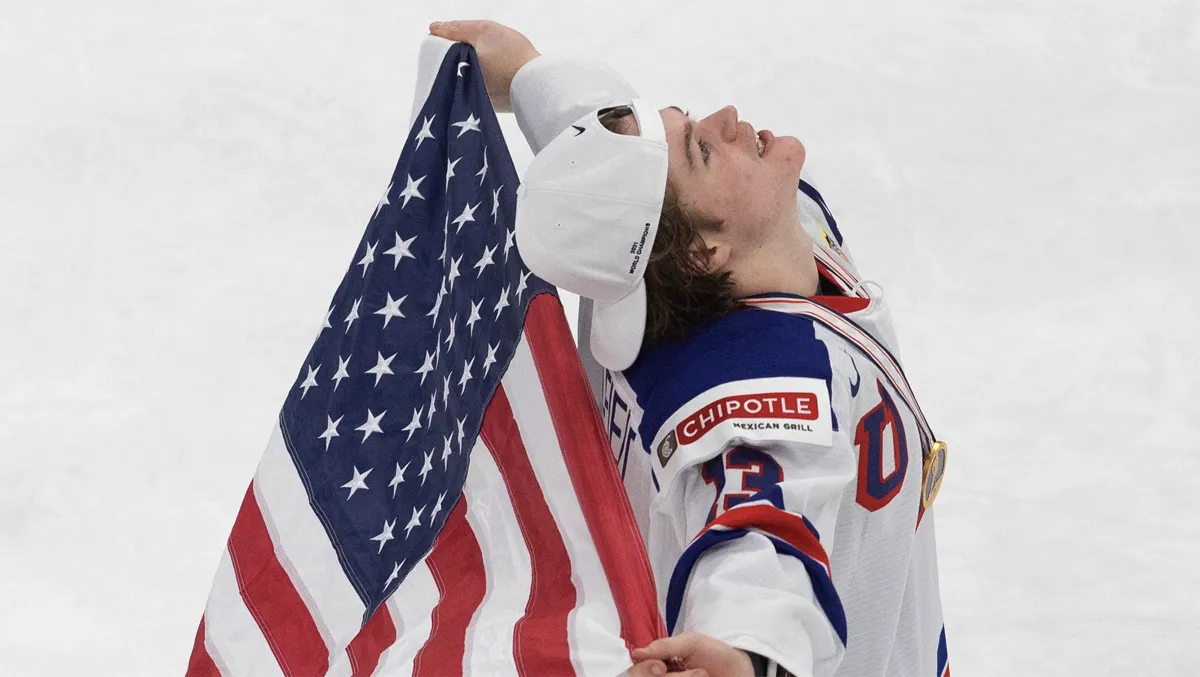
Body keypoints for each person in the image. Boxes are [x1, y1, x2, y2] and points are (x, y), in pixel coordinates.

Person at [429, 20, 950, 677]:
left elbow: (612, 154)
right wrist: (740, 650)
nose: (728, 119)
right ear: (706, 252)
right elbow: (760, 534)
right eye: (704, 150)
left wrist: (531, 75)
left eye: (694, 124)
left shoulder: (653, 250)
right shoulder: (757, 392)